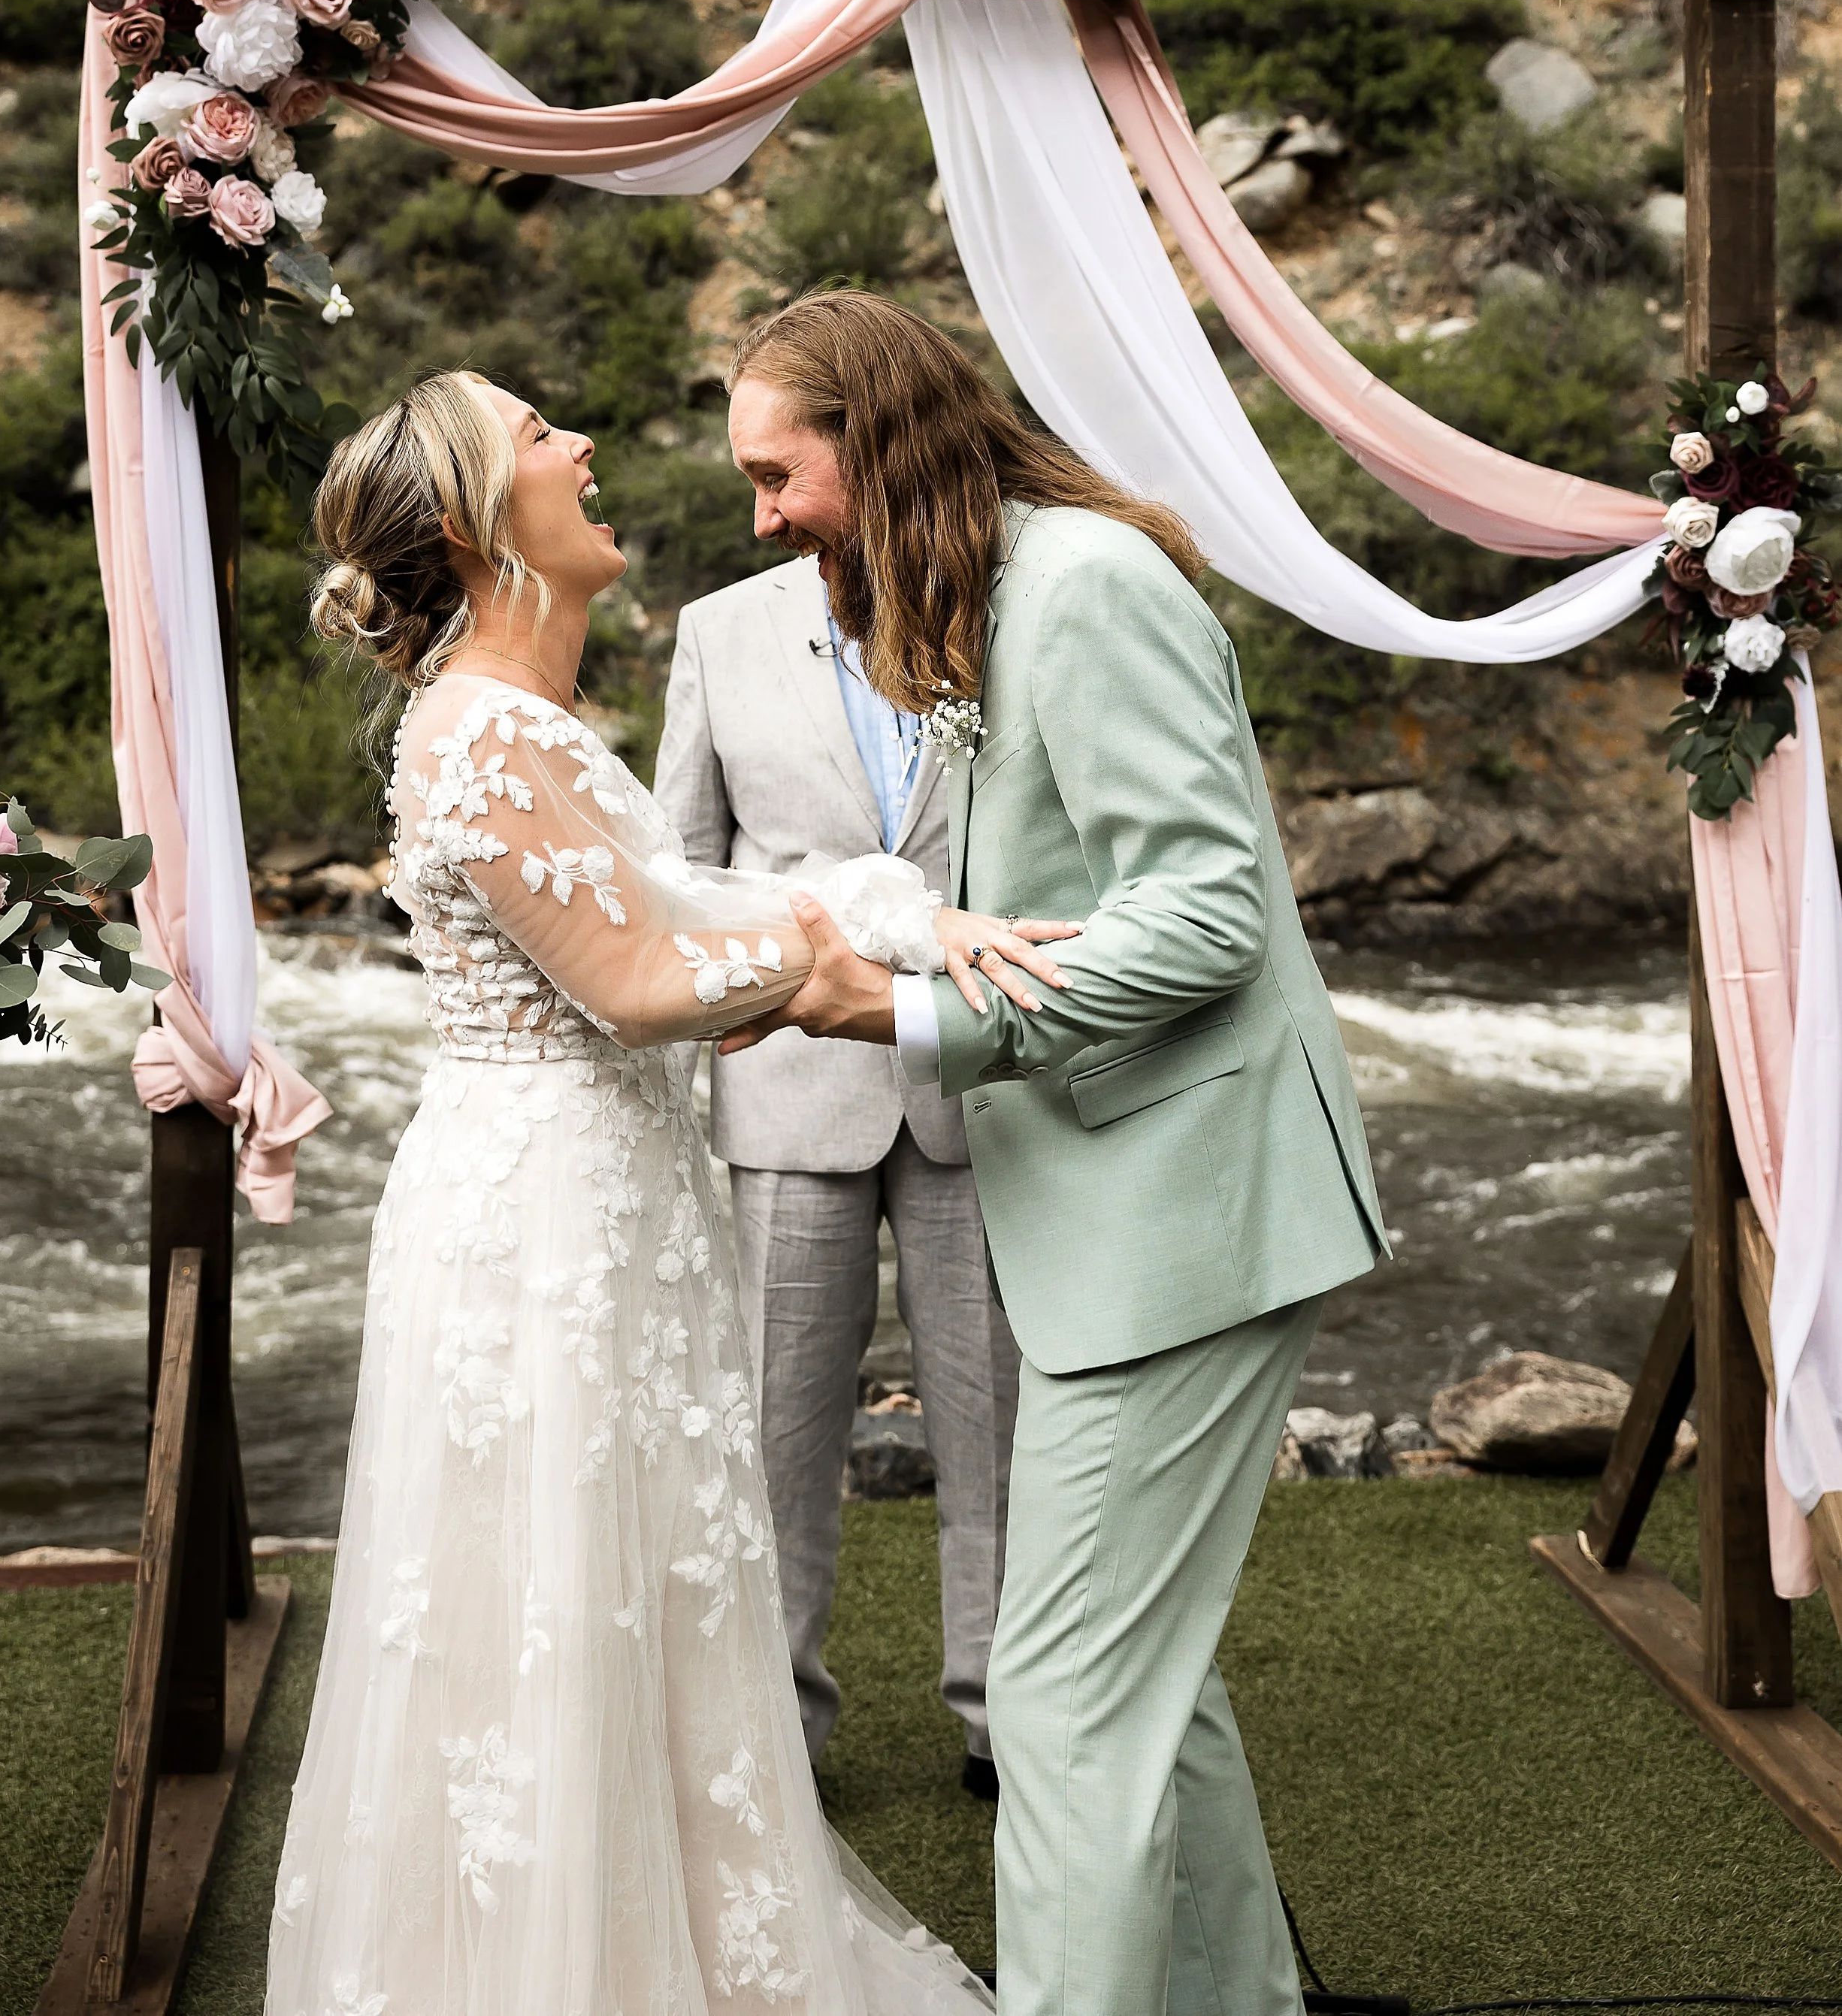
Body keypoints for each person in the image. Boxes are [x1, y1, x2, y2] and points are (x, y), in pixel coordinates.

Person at [267, 369, 1073, 2016]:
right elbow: (634, 976)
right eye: (535, 435)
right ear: (485, 520)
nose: (579, 443)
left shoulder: (521, 715)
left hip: (606, 1192)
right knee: (548, 1584)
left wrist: (887, 912)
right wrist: (854, 937)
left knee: (638, 1573)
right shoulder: (483, 728)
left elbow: (671, 896)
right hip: (544, 1214)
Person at [717, 292, 1390, 2016]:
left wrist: (907, 1013)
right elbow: (1064, 895)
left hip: (1185, 1218)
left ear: (870, 445)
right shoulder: (997, 588)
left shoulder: (1083, 589)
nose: (762, 517)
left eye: (774, 474)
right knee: (1146, 1686)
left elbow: (1211, 914)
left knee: (1061, 1703)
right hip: (1126, 1219)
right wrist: (919, 941)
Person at [655, 541, 1015, 1794]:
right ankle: (775, 1723)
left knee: (998, 1421)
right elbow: (680, 876)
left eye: (778, 471)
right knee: (773, 1426)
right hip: (790, 1084)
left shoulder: (1001, 597)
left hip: (978, 1078)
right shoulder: (717, 626)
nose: (758, 514)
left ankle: (1002, 1717)